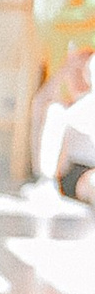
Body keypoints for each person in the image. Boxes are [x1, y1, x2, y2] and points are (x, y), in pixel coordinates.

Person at [31, 38, 95, 200]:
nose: (78, 78)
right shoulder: (62, 110)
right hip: (77, 171)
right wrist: (67, 67)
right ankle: (46, 183)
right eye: (75, 72)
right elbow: (40, 102)